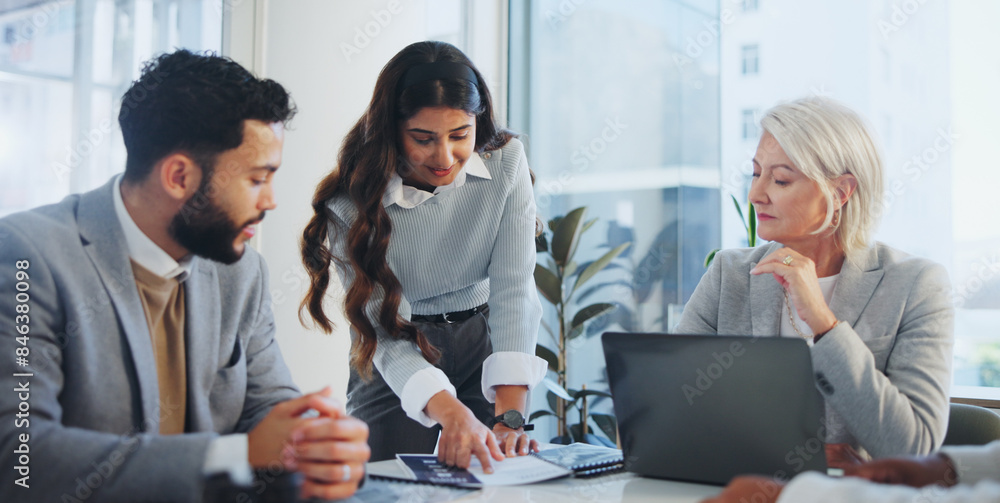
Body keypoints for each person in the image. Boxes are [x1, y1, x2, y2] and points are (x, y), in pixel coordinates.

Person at [0, 50, 369, 502]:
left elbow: (266, 409)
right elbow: (19, 458)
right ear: (179, 177)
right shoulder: (25, 257)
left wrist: (315, 447)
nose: (271, 201)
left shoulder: (242, 272)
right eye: (257, 179)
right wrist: (236, 454)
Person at [300, 41, 545, 470]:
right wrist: (450, 412)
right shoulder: (351, 203)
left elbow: (514, 291)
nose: (444, 157)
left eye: (459, 135)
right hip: (396, 346)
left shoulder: (507, 164)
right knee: (381, 485)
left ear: (477, 122)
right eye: (423, 139)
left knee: (495, 480)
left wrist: (509, 418)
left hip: (482, 342)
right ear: (391, 129)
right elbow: (379, 327)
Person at [675, 96, 953, 465]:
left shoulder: (917, 285)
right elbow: (668, 410)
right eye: (756, 174)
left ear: (840, 193)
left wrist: (824, 323)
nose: (756, 195)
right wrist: (791, 456)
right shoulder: (730, 275)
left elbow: (913, 448)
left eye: (781, 179)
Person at [705, 441, 1000, 502]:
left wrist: (793, 497)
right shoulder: (725, 278)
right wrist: (943, 468)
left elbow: (909, 439)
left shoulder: (918, 283)